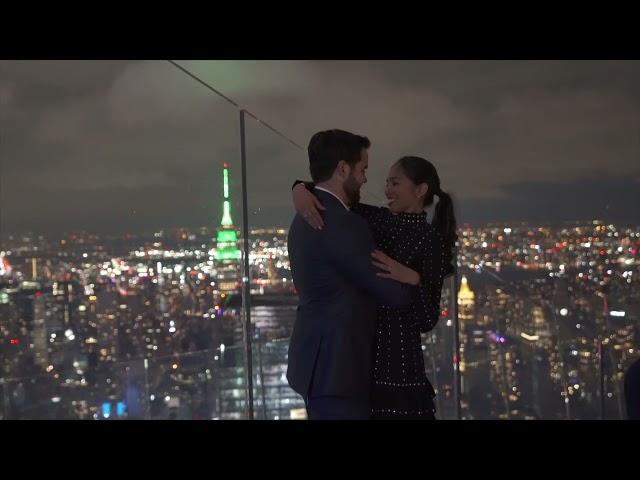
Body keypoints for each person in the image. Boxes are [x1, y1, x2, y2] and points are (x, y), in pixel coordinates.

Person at [292, 155, 456, 419]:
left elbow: (427, 319)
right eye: (387, 183)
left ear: (420, 190)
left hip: (400, 367)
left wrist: (413, 279)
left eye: (395, 183)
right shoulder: (377, 219)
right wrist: (299, 190)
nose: (387, 190)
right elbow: (331, 197)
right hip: (360, 357)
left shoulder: (430, 241)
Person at [286, 130, 420, 420]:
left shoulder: (303, 217)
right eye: (362, 169)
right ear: (343, 168)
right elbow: (393, 294)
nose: (365, 179)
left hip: (314, 365)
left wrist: (300, 187)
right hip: (339, 370)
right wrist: (415, 278)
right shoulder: (345, 224)